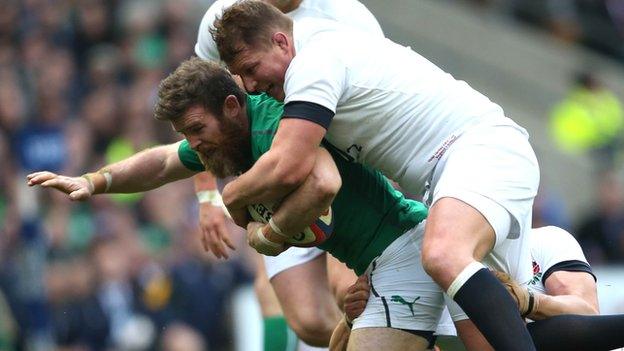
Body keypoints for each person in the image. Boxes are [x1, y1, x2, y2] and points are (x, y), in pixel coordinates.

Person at [28, 58, 449, 351]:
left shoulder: (275, 128)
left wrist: (260, 227)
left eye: (195, 129)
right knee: (333, 327)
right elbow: (161, 162)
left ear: (231, 106)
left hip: (403, 248)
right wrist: (93, 180)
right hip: (377, 262)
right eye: (184, 132)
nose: (193, 144)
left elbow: (323, 183)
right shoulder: (228, 139)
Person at [212, 1, 539, 350]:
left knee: (443, 253)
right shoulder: (316, 48)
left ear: (280, 41)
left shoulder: (312, 64)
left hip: (475, 151)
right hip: (459, 168)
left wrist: (229, 198)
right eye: (240, 76)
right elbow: (173, 154)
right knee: (494, 336)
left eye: (251, 68)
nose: (249, 85)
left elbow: (288, 165)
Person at [191, 1, 385, 348]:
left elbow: (374, 108)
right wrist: (207, 197)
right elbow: (195, 102)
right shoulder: (220, 19)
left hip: (340, 166)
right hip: (269, 175)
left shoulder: (347, 16)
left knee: (346, 291)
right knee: (305, 319)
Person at [340, 226, 624, 351]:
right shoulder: (430, 261)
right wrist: (351, 320)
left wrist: (530, 302)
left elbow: (588, 315)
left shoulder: (548, 240)